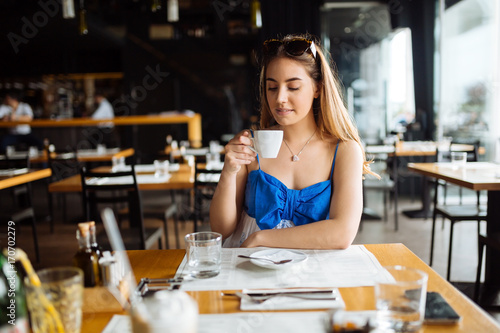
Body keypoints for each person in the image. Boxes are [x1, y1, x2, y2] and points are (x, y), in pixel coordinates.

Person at [209, 34, 378, 249]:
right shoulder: (251, 144)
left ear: (317, 88)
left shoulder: (344, 150)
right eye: (272, 87)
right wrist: (229, 171)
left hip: (312, 271)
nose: (279, 98)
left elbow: (342, 233)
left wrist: (261, 238)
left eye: (293, 87)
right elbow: (221, 230)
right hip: (248, 267)